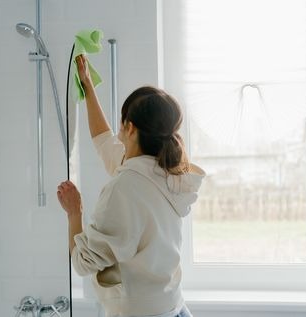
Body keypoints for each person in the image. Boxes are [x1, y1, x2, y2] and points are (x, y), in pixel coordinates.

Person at [56, 55, 206, 317]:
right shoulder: (166, 172)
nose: (117, 131)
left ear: (129, 127)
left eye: (121, 124)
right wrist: (88, 87)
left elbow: (83, 262)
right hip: (174, 307)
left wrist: (74, 213)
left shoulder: (123, 188)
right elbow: (103, 140)